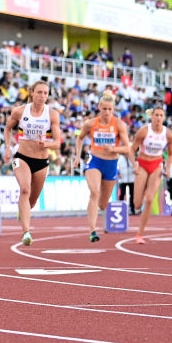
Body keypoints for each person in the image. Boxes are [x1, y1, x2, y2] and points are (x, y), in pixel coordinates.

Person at [3, 81, 62, 245]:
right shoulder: (20, 111)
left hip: (42, 161)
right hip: (21, 157)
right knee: (25, 189)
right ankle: (26, 233)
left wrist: (47, 144)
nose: (43, 96)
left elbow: (57, 142)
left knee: (32, 201)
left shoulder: (52, 115)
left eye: (45, 93)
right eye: (40, 92)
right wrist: (7, 148)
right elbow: (7, 129)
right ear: (32, 93)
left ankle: (23, 211)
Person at [73, 91, 132, 242]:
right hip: (94, 161)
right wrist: (77, 157)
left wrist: (113, 149)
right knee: (94, 192)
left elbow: (127, 148)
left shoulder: (119, 124)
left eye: (110, 109)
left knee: (103, 204)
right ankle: (93, 231)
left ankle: (97, 216)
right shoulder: (90, 123)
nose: (107, 112)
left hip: (111, 164)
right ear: (99, 107)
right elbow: (79, 139)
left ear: (113, 109)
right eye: (104, 108)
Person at [132, 106, 172, 244]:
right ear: (152, 116)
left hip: (156, 165)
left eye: (161, 115)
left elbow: (170, 153)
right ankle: (143, 191)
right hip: (142, 164)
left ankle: (140, 234)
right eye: (156, 115)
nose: (158, 118)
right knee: (137, 204)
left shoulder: (168, 134)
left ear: (164, 118)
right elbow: (131, 149)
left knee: (150, 199)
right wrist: (134, 165)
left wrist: (168, 168)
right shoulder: (144, 131)